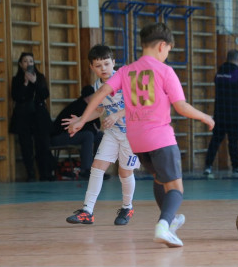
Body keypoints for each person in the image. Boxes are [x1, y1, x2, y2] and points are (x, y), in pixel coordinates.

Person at [68, 22, 215, 247]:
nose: (167, 54)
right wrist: (205, 117)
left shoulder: (126, 71)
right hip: (159, 137)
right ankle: (164, 225)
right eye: (169, 49)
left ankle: (167, 219)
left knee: (159, 179)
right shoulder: (165, 71)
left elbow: (101, 94)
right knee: (175, 188)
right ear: (162, 46)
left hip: (136, 141)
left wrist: (81, 120)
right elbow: (181, 106)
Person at [62, 45, 140, 226]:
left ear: (113, 62)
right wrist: (81, 120)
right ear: (92, 67)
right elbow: (98, 110)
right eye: (98, 65)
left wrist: (117, 115)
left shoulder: (125, 79)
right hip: (113, 132)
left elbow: (138, 105)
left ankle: (127, 207)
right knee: (97, 167)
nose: (103, 68)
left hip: (133, 134)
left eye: (106, 64)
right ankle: (87, 210)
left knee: (124, 172)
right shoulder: (97, 86)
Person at [204, 49, 238, 178]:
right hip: (235, 115)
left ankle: (208, 166)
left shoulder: (219, 74)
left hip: (220, 114)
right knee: (233, 142)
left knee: (215, 140)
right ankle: (235, 167)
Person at [10, 52, 55, 181]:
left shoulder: (39, 77)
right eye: (25, 61)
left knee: (43, 144)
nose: (28, 63)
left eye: (31, 61)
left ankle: (45, 173)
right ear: (20, 64)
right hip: (23, 116)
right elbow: (16, 97)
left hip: (39, 115)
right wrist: (25, 83)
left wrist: (35, 82)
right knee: (26, 146)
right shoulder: (16, 79)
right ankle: (30, 173)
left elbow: (45, 94)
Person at [51, 85, 103, 180]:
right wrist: (93, 128)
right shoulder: (78, 106)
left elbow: (97, 125)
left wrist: (95, 128)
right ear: (88, 97)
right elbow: (84, 128)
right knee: (88, 135)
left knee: (100, 135)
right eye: (94, 95)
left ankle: (98, 169)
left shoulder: (91, 107)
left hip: (74, 134)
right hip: (60, 136)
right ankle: (86, 170)